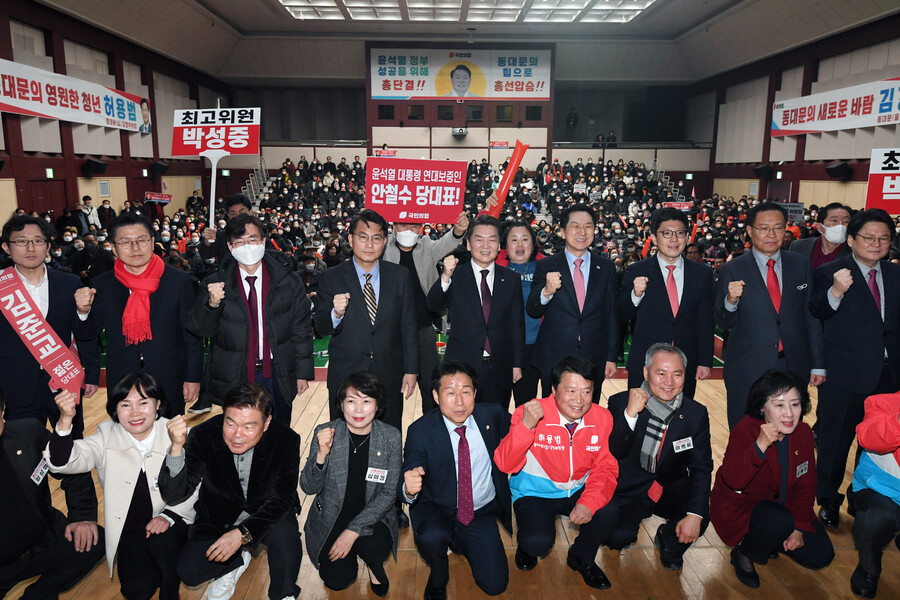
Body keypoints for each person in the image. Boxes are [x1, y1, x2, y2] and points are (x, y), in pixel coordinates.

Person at [46, 372, 198, 600]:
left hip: (174, 522)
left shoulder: (176, 433)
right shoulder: (106, 434)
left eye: (143, 403)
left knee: (164, 551)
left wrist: (168, 515)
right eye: (125, 404)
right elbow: (63, 463)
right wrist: (65, 421)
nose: (135, 413)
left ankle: (170, 584)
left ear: (158, 404)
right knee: (136, 590)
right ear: (115, 409)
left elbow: (197, 486)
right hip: (133, 530)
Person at [159, 382, 302, 600]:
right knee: (190, 572)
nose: (237, 435)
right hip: (219, 515)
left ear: (266, 423)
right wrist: (176, 447)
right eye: (230, 423)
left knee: (285, 534)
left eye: (249, 426)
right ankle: (235, 563)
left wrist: (243, 533)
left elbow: (282, 498)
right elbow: (174, 495)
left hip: (266, 512)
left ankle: (284, 594)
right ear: (223, 416)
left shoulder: (286, 439)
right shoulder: (203, 435)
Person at [809, 208, 900, 528]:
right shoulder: (831, 272)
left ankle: (863, 498)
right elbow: (816, 312)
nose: (876, 244)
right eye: (868, 237)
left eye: (883, 238)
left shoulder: (895, 274)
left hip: (888, 378)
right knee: (835, 442)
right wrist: (836, 291)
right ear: (851, 239)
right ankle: (829, 501)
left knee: (877, 444)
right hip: (844, 375)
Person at [493, 355, 617, 589]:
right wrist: (526, 427)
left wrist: (588, 503)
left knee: (609, 512)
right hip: (535, 494)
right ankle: (527, 546)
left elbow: (605, 468)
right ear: (553, 389)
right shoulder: (528, 412)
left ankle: (581, 557)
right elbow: (504, 464)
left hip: (577, 490)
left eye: (587, 391)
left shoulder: (602, 418)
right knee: (537, 543)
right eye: (571, 390)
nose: (579, 400)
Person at [710, 370, 834, 589]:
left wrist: (798, 528)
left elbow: (806, 486)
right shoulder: (746, 431)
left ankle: (772, 538)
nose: (789, 414)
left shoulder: (803, 433)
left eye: (795, 405)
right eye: (779, 405)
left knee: (820, 555)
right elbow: (733, 481)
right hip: (744, 509)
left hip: (783, 511)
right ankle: (745, 553)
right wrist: (759, 446)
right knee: (777, 520)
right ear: (762, 407)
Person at [186, 214, 313, 423]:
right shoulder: (214, 283)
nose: (247, 246)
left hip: (277, 371)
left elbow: (300, 328)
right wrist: (212, 305)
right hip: (235, 373)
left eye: (253, 240)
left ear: (263, 241)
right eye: (240, 241)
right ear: (230, 246)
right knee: (239, 435)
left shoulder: (288, 281)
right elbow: (201, 330)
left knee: (279, 432)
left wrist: (302, 372)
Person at [400, 361, 511, 599]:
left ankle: (463, 542)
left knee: (495, 586)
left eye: (466, 392)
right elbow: (410, 468)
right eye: (450, 393)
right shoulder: (421, 430)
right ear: (435, 396)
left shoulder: (493, 415)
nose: (459, 402)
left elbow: (522, 434)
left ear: (475, 393)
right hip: (438, 509)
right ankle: (438, 577)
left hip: (479, 511)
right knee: (432, 538)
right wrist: (409, 488)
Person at [74, 213, 202, 416]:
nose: (135, 248)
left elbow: (191, 334)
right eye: (125, 242)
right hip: (122, 377)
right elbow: (89, 332)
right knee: (125, 442)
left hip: (168, 376)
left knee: (170, 440)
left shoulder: (178, 281)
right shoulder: (102, 284)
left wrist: (193, 377)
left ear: (152, 242)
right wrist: (82, 312)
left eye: (141, 240)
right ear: (113, 248)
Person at [714, 202, 824, 428]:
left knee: (788, 433)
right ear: (750, 231)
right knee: (745, 435)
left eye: (778, 228)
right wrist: (731, 301)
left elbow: (811, 317)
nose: (771, 234)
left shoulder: (801, 265)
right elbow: (722, 321)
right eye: (764, 228)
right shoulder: (732, 268)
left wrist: (818, 364)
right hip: (747, 368)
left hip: (793, 366)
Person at [604, 343, 712, 570]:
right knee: (617, 538)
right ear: (645, 372)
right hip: (630, 486)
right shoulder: (620, 402)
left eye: (677, 374)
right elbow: (617, 451)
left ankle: (669, 540)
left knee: (700, 512)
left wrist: (694, 514)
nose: (669, 382)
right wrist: (630, 414)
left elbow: (701, 467)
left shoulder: (695, 413)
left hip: (668, 486)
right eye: (660, 374)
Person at [315, 209, 418, 431]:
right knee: (344, 441)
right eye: (363, 237)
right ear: (351, 239)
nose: (369, 244)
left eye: (376, 238)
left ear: (384, 241)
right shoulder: (331, 277)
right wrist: (336, 314)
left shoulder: (400, 276)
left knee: (389, 436)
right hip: (346, 376)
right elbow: (320, 326)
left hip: (389, 373)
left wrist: (411, 370)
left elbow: (408, 325)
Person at [300, 373, 400, 597]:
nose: (358, 410)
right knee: (337, 580)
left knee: (374, 547)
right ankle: (353, 551)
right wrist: (321, 455)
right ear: (341, 405)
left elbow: (387, 494)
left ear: (377, 406)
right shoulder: (326, 432)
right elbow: (308, 487)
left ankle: (373, 563)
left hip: (373, 513)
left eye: (366, 401)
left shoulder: (390, 437)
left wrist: (352, 531)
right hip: (333, 515)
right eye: (351, 401)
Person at [0, 216, 100, 436]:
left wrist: (92, 374)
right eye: (21, 241)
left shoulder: (70, 283)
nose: (30, 247)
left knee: (73, 447)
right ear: (6, 247)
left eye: (38, 240)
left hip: (65, 381)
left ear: (48, 245)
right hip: (15, 386)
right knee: (23, 457)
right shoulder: (1, 287)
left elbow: (83, 332)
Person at [0, 387, 103, 600]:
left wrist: (82, 516)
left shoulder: (27, 433)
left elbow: (70, 469)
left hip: (42, 540)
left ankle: (38, 594)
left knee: (95, 540)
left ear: (2, 412)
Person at [427, 215, 525, 408]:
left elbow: (516, 324)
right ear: (469, 244)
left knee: (496, 421)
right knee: (460, 419)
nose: (485, 245)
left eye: (492, 240)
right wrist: (446, 276)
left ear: (499, 246)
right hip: (462, 365)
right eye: (479, 239)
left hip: (500, 366)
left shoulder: (511, 279)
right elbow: (433, 305)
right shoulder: (455, 274)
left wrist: (517, 364)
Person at [617, 208, 714, 399]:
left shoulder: (702, 274)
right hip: (645, 363)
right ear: (653, 237)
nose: (674, 239)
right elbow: (621, 315)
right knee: (640, 420)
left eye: (680, 233)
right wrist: (635, 295)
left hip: (685, 364)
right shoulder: (637, 271)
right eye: (666, 233)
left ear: (687, 237)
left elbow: (705, 320)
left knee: (680, 421)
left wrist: (704, 361)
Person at [526, 204, 618, 399]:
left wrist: (611, 357)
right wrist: (546, 292)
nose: (582, 232)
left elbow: (611, 315)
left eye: (588, 226)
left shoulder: (606, 268)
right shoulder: (546, 265)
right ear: (562, 231)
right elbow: (533, 308)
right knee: (551, 414)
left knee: (589, 411)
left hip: (594, 355)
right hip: (554, 356)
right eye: (575, 226)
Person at [383, 213, 467, 412]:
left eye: (414, 227)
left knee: (431, 389)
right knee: (388, 391)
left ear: (421, 228)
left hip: (422, 329)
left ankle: (428, 436)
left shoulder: (427, 246)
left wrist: (459, 229)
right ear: (393, 227)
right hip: (389, 332)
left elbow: (448, 242)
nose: (408, 231)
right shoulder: (383, 248)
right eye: (403, 225)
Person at [848, 390, 900, 599]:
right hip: (880, 491)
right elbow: (869, 439)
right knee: (875, 520)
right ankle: (868, 568)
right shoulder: (881, 402)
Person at [496, 222, 545, 406]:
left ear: (533, 244)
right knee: (497, 405)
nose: (520, 245)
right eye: (514, 240)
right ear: (505, 246)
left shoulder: (546, 267)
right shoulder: (494, 266)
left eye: (525, 239)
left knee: (526, 405)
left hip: (533, 348)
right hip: (502, 348)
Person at [788, 202, 852, 269]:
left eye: (845, 221)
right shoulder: (799, 246)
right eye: (834, 220)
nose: (840, 225)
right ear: (820, 227)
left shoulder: (853, 253)